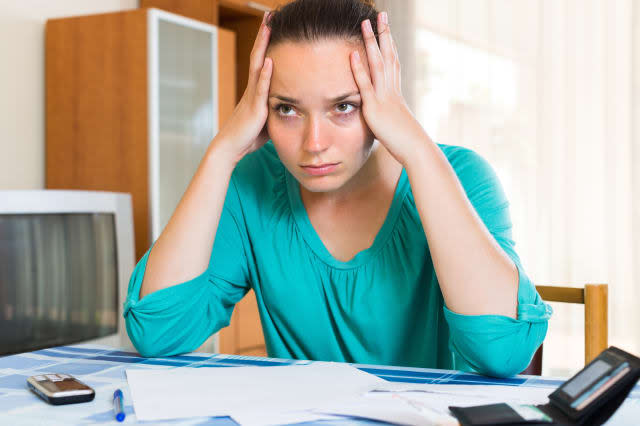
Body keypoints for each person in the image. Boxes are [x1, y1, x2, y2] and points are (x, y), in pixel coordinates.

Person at [124, 0, 552, 378]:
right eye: (287, 109)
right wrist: (222, 152)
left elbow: (504, 353)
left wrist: (419, 152)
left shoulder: (460, 176)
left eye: (344, 106)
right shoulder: (251, 184)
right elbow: (157, 333)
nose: (313, 144)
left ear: (384, 96)